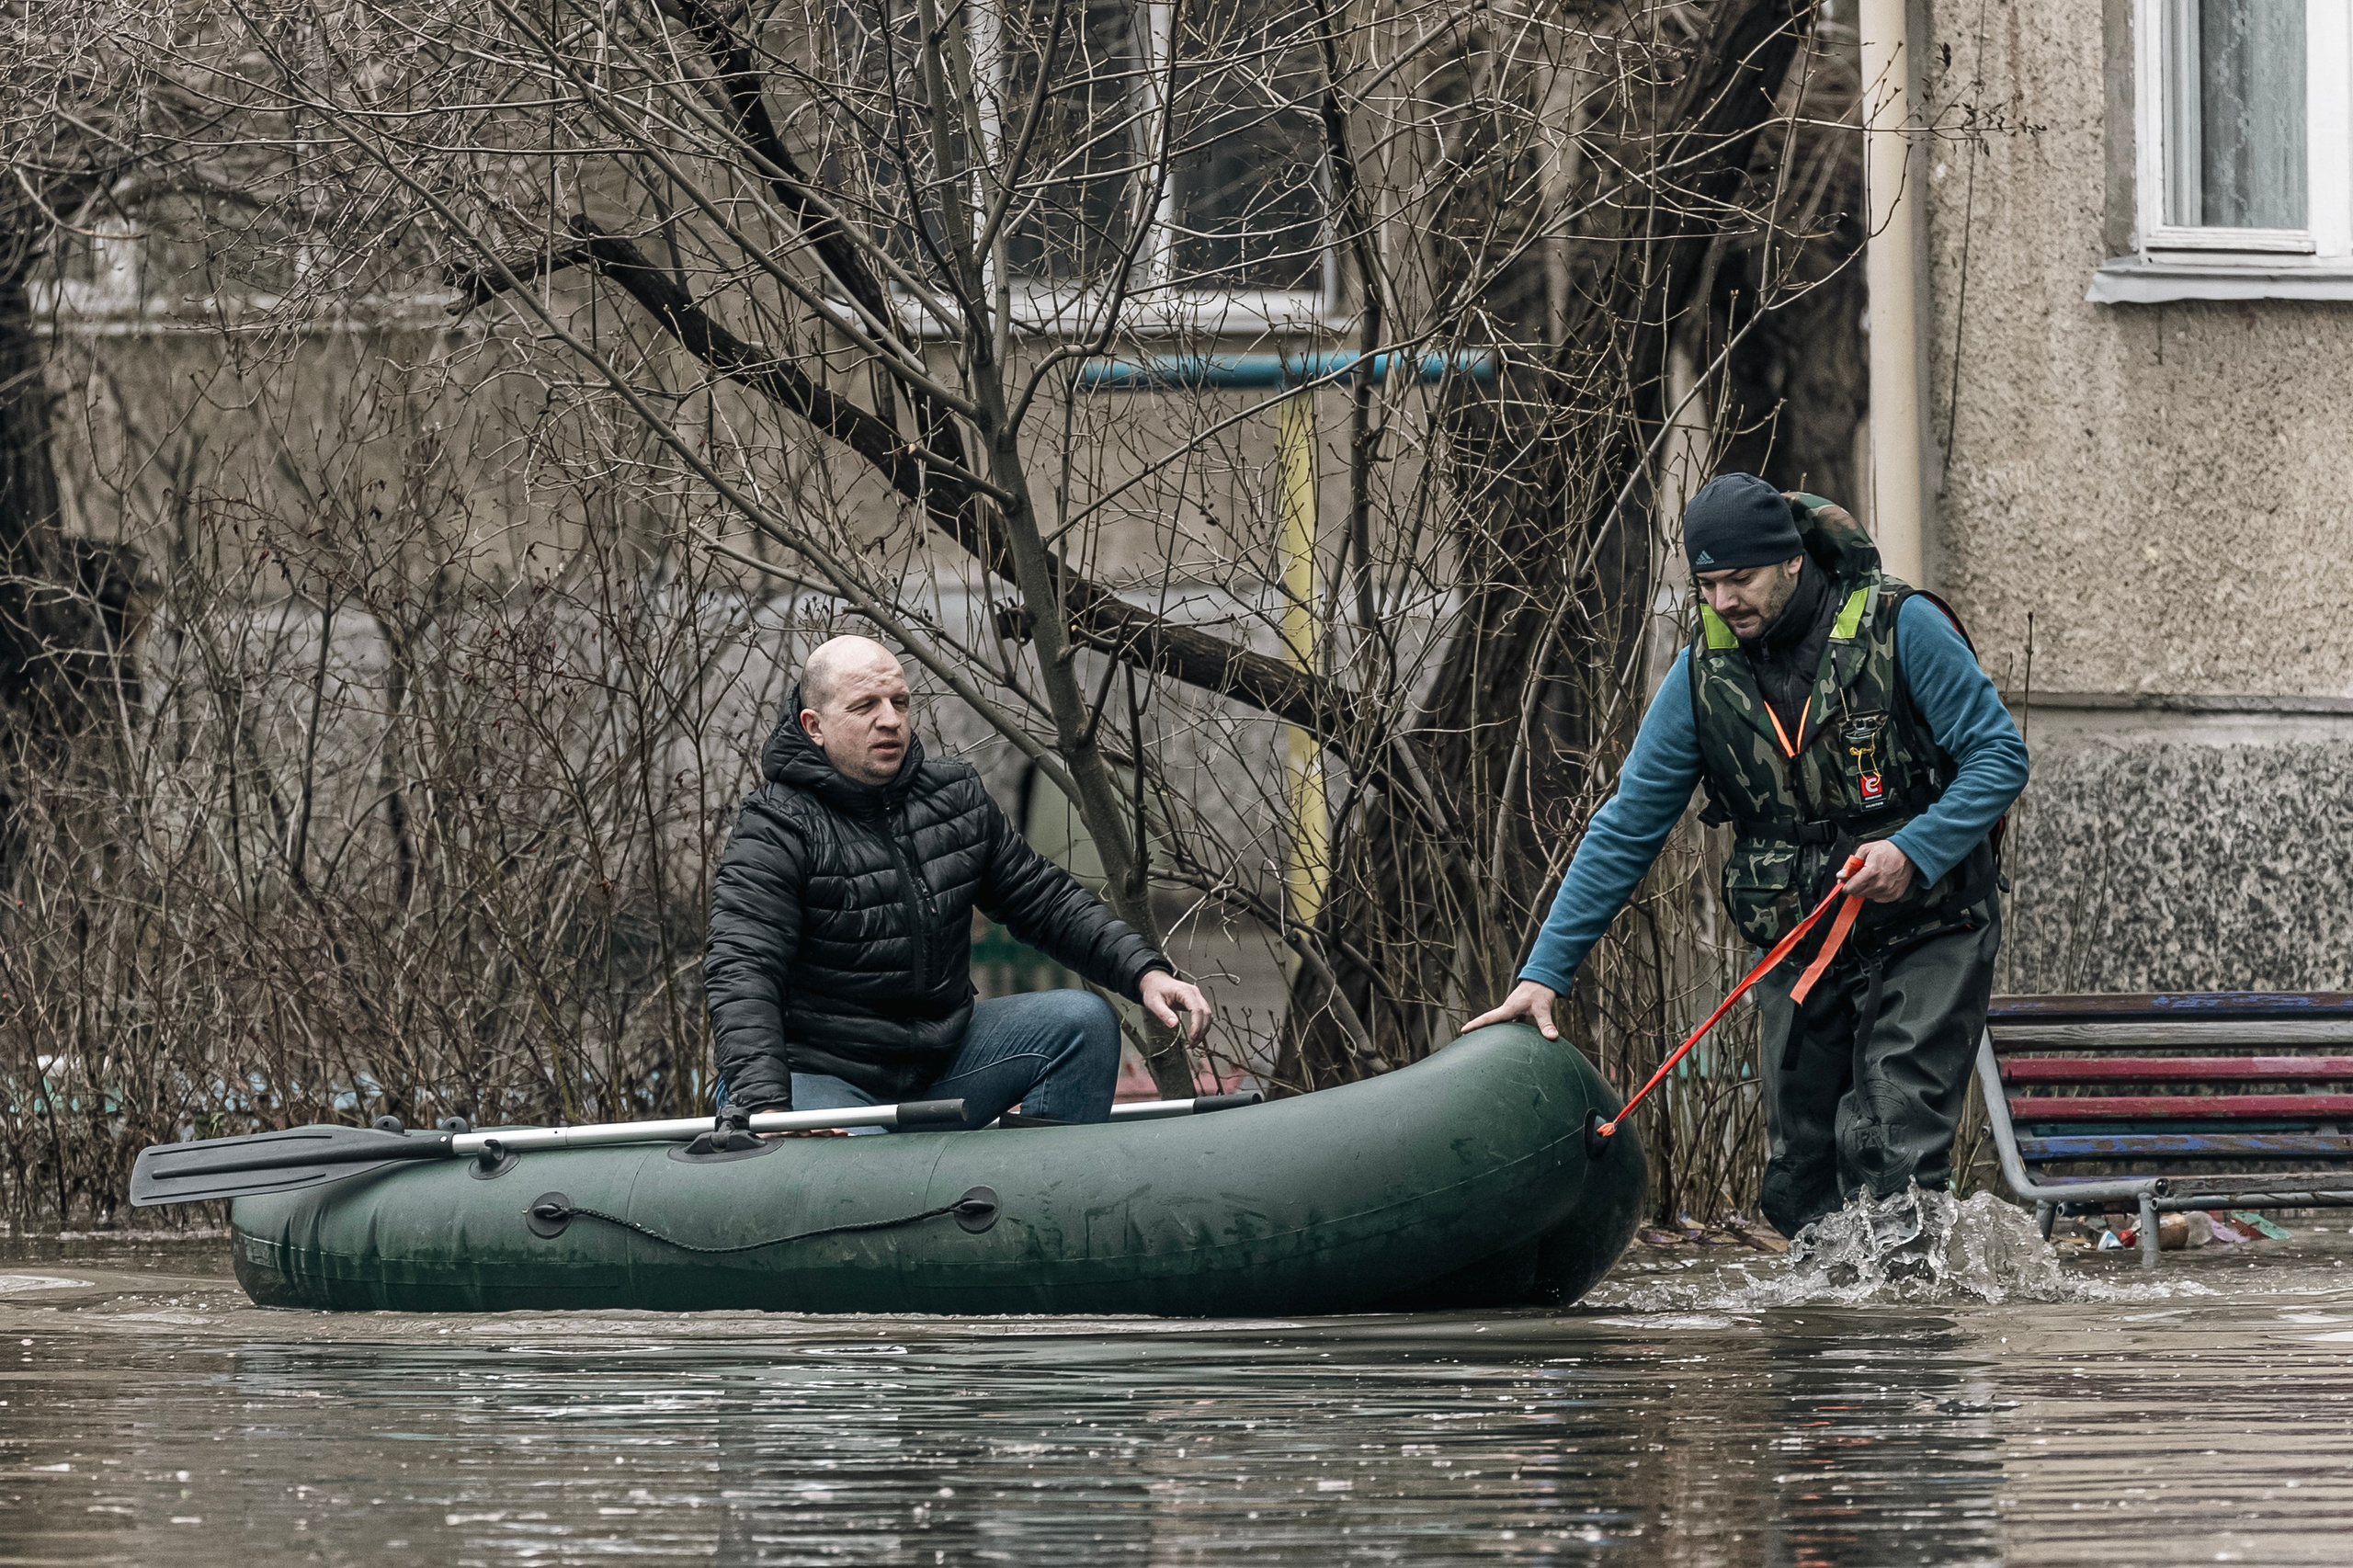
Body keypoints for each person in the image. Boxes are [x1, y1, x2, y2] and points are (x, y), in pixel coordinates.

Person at [1463, 474, 2029, 1237]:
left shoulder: (1903, 625)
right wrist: (1543, 975)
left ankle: (1908, 1341)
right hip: (1800, 942)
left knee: (1891, 1144)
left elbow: (1999, 757)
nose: (1725, 600)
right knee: (1799, 1179)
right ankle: (1821, 1344)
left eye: (1742, 579)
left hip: (1930, 927)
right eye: (1707, 583)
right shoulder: (1702, 677)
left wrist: (1912, 849)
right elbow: (1627, 826)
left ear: (1792, 562)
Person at [704, 635, 1209, 1136]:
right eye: (865, 706)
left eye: (899, 702)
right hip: (819, 1076)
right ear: (814, 726)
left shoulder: (954, 797)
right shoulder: (775, 827)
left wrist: (1144, 973)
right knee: (869, 1168)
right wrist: (766, 1107)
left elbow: (1046, 901)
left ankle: (1035, 1206)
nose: (890, 720)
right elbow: (741, 968)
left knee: (1082, 1023)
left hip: (939, 1064)